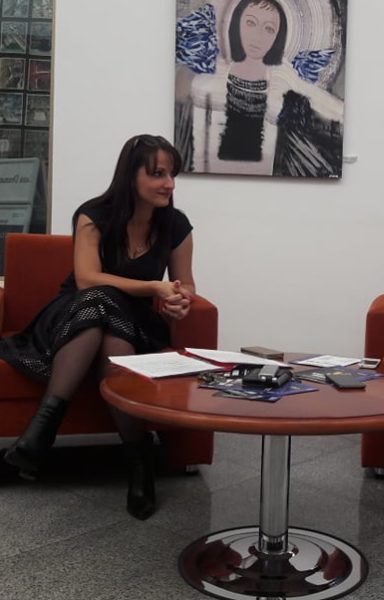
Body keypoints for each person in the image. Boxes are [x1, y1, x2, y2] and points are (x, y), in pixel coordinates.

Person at [0, 134, 195, 521]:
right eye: (158, 174)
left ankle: (39, 435)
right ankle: (140, 460)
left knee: (113, 334)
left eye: (172, 174)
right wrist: (153, 287)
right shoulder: (93, 215)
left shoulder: (176, 224)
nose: (169, 184)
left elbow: (185, 283)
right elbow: (87, 279)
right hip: (74, 313)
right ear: (131, 175)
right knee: (98, 301)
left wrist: (179, 299)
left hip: (135, 323)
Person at [179, 0, 344, 176]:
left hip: (266, 182)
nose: (257, 36)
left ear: (279, 36)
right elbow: (194, 151)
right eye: (250, 23)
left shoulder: (282, 78)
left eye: (269, 29)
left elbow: (332, 109)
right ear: (236, 22)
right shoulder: (209, 80)